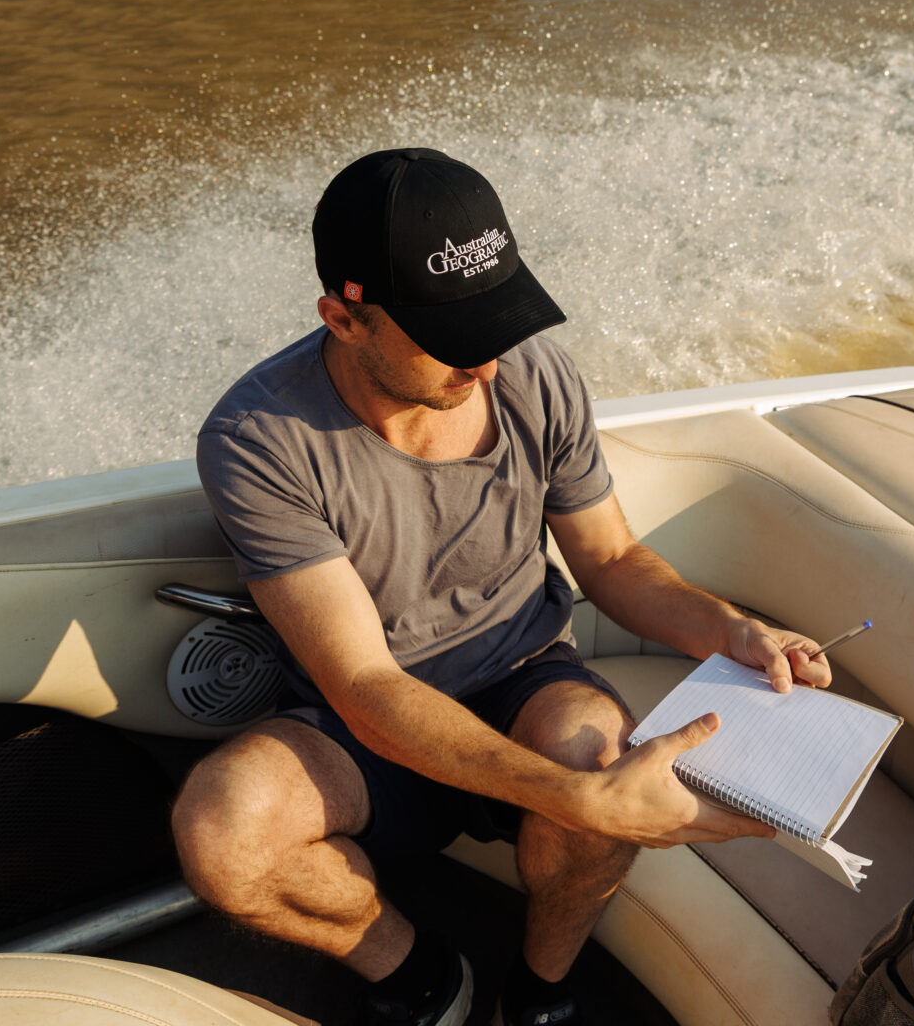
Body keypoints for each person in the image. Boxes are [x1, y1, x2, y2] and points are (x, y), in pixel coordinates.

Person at [173, 148, 832, 1026]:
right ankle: (419, 976)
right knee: (221, 833)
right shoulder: (258, 439)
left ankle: (539, 991)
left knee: (603, 756)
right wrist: (570, 799)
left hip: (524, 673)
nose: (484, 364)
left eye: (496, 321)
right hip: (363, 722)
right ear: (345, 317)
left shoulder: (533, 374)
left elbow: (611, 562)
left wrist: (731, 630)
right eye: (451, 337)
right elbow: (365, 685)